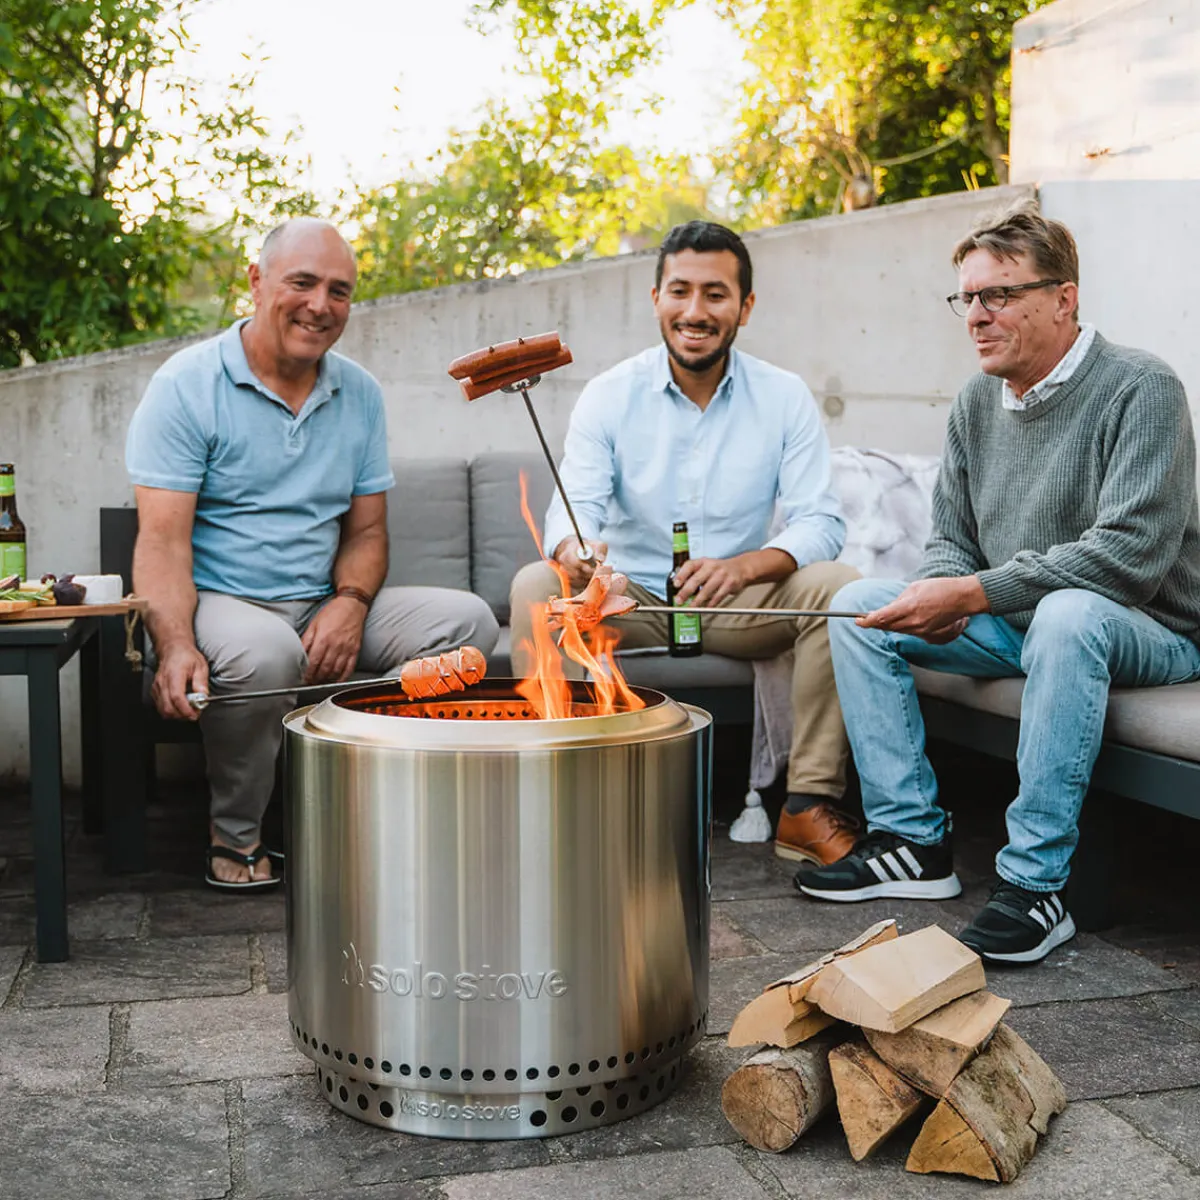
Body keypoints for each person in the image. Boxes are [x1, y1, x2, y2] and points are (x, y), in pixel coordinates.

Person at [796, 201, 1200, 963]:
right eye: (967, 298)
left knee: (1071, 616)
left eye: (998, 296)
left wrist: (974, 593)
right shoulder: (977, 401)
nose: (976, 316)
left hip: (1153, 630)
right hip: (1026, 623)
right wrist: (945, 591)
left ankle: (1036, 886)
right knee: (856, 607)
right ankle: (912, 843)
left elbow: (1130, 557)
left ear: (1064, 298)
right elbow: (953, 538)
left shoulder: (1142, 388)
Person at [125, 218, 499, 891]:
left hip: (322, 602)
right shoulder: (186, 386)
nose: (320, 305)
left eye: (340, 290)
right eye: (302, 282)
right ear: (256, 282)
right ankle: (236, 835)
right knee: (268, 652)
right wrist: (175, 644)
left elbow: (365, 535)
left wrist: (350, 604)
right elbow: (160, 544)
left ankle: (375, 802)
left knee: (469, 624)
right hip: (224, 605)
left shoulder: (358, 393)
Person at [509, 221, 861, 865]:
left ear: (744, 307)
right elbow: (571, 509)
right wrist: (575, 555)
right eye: (680, 291)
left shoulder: (784, 396)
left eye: (716, 294)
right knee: (536, 586)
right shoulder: (609, 393)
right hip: (628, 600)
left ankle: (806, 806)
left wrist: (744, 566)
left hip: (738, 601)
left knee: (842, 590)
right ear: (656, 299)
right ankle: (543, 797)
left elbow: (821, 522)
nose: (695, 312)